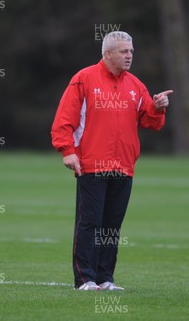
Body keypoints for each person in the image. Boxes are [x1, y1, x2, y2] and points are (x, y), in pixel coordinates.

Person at [51, 31, 172, 290]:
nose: (129, 56)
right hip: (92, 164)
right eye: (123, 52)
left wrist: (158, 107)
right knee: (90, 223)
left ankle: (105, 278)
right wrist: (67, 150)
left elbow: (150, 121)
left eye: (131, 51)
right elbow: (64, 120)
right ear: (107, 54)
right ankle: (85, 279)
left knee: (111, 227)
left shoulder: (136, 85)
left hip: (124, 166)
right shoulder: (83, 79)